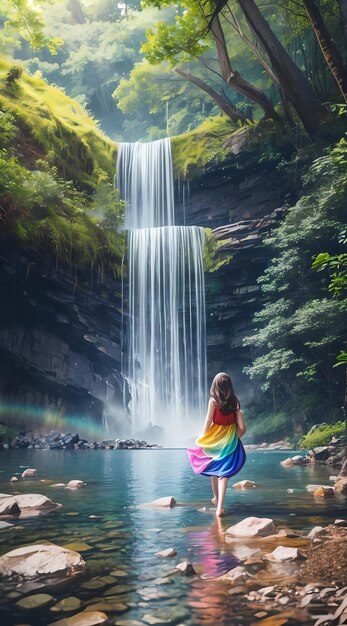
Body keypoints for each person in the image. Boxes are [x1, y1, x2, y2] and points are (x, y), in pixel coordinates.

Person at [187, 372, 246, 517]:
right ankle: (218, 504)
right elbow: (243, 428)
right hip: (229, 439)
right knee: (223, 474)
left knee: (214, 467)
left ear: (215, 386)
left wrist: (204, 436)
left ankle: (217, 501)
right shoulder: (236, 403)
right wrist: (234, 438)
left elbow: (208, 420)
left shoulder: (213, 401)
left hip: (215, 438)